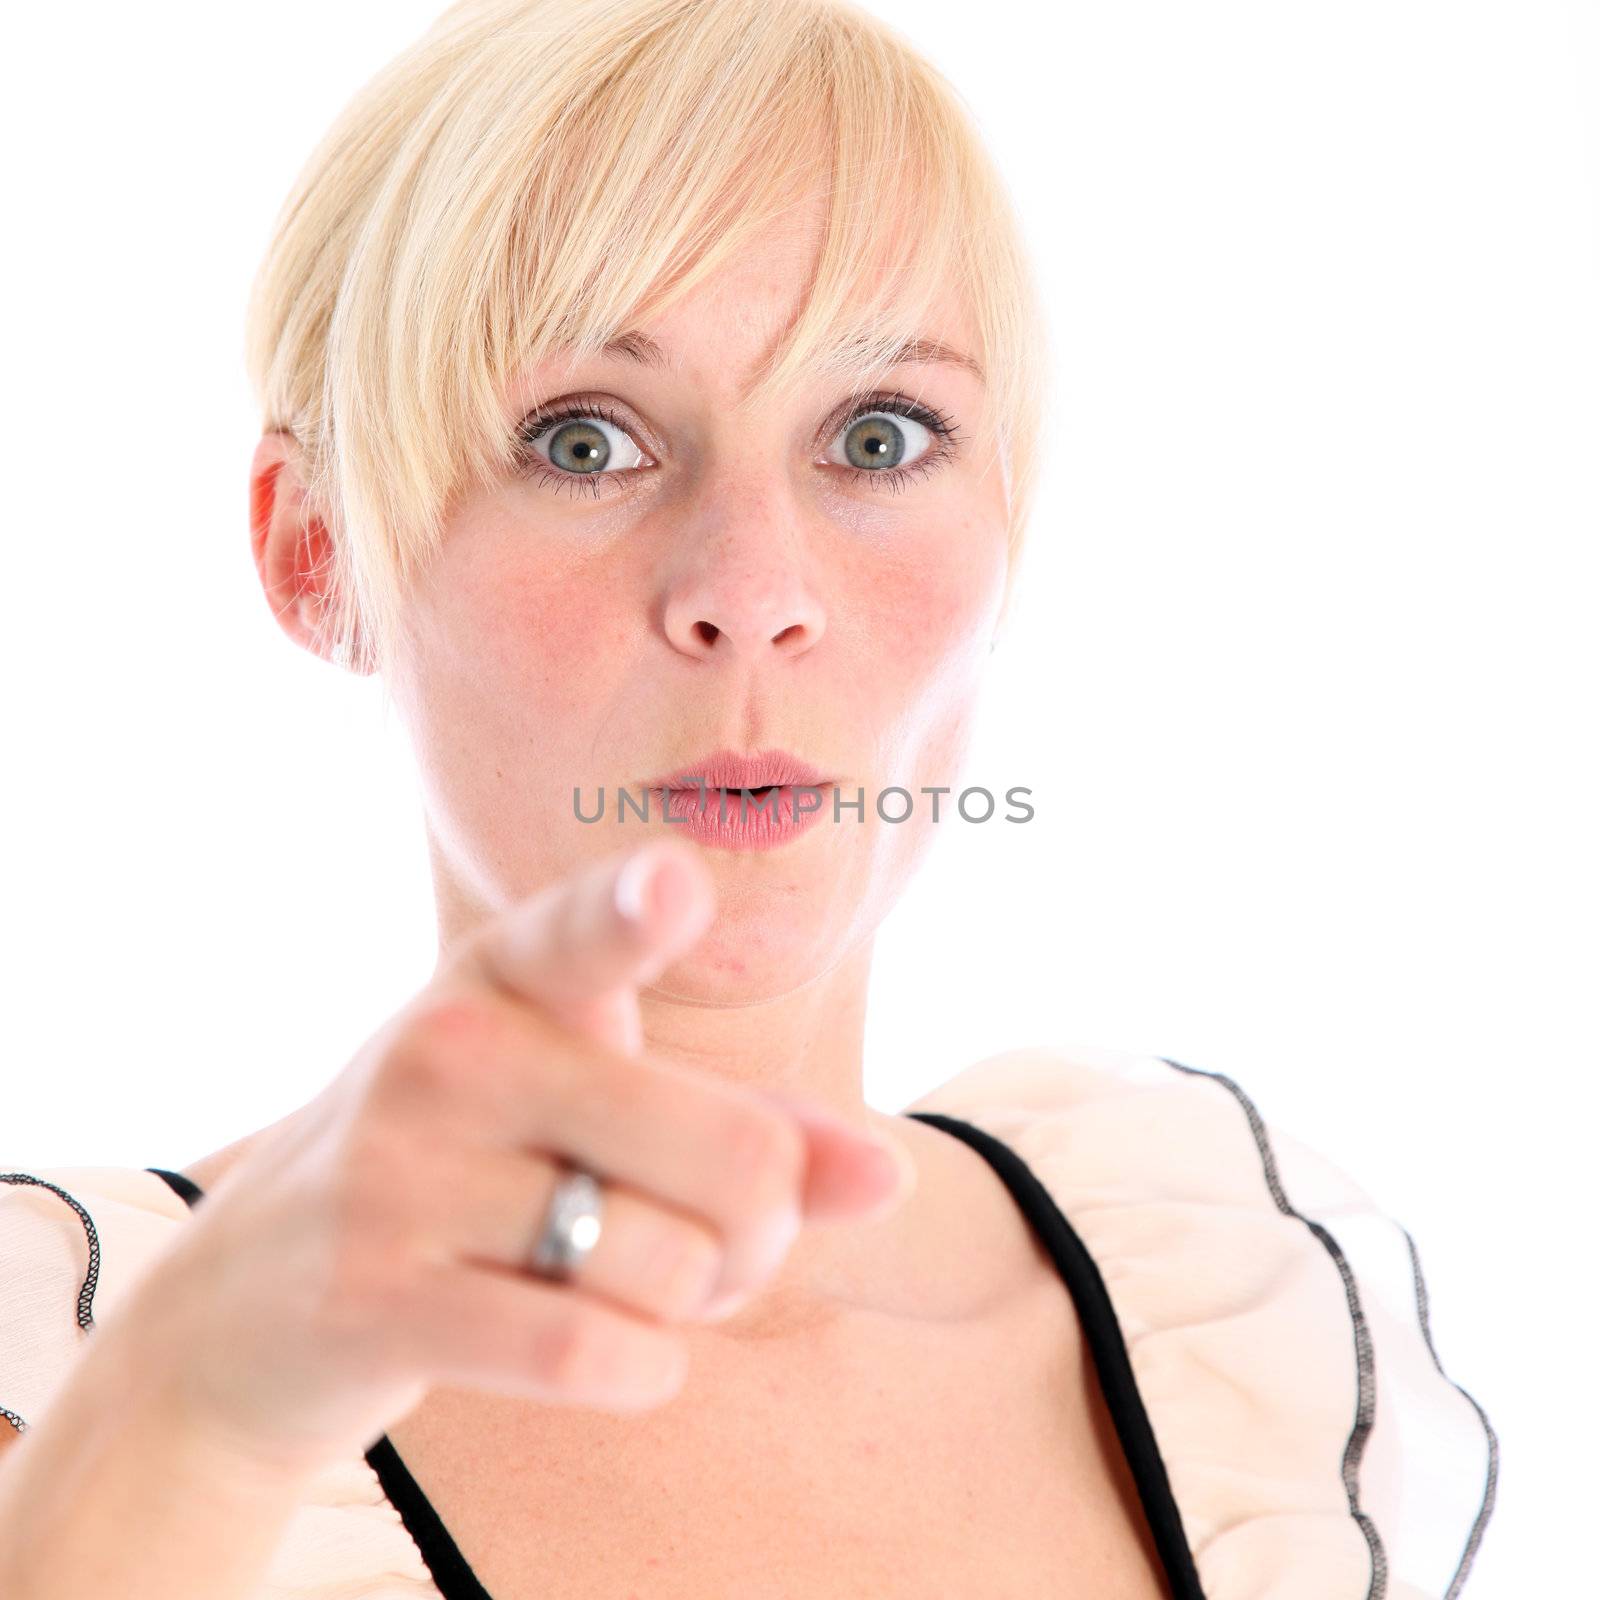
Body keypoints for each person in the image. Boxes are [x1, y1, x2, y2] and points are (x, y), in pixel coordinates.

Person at [0, 1, 1496, 1596]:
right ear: (319, 553)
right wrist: (195, 1426)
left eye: (877, 434)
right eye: (584, 440)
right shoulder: (79, 1377)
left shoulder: (1239, 1335)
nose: (753, 592)